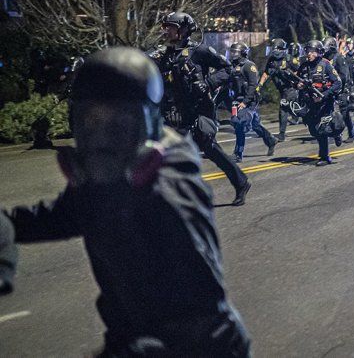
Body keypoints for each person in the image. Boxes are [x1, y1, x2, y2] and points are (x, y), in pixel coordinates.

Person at [2, 48, 251, 356]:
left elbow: (199, 298)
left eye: (118, 121)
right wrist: (7, 224)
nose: (102, 136)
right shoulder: (104, 176)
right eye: (91, 120)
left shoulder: (170, 190)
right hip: (130, 334)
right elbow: (66, 215)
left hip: (200, 345)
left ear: (146, 121)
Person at [148, 12, 251, 205]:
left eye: (170, 27)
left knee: (208, 147)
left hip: (196, 109)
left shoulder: (199, 51)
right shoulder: (163, 54)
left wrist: (210, 83)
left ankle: (240, 182)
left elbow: (227, 68)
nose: (166, 30)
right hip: (172, 111)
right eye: (165, 27)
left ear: (183, 30)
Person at [228, 42, 277, 162]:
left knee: (239, 124)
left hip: (249, 100)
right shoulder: (232, 66)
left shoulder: (249, 66)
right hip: (238, 99)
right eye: (232, 51)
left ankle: (238, 154)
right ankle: (270, 140)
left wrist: (245, 102)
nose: (233, 54)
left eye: (236, 52)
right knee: (255, 124)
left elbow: (252, 85)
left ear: (243, 53)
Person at [297, 40, 343, 166]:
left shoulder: (326, 65)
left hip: (325, 102)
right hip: (311, 102)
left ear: (319, 52)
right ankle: (335, 133)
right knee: (313, 130)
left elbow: (338, 82)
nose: (309, 54)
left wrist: (324, 95)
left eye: (312, 52)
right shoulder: (304, 66)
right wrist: (299, 86)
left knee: (322, 129)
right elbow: (297, 82)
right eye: (307, 51)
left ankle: (325, 156)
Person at [324, 37, 354, 142]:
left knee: (341, 113)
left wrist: (334, 81)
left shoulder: (338, 58)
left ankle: (336, 134)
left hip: (342, 89)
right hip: (332, 89)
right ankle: (352, 134)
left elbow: (344, 75)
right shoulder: (326, 60)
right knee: (344, 113)